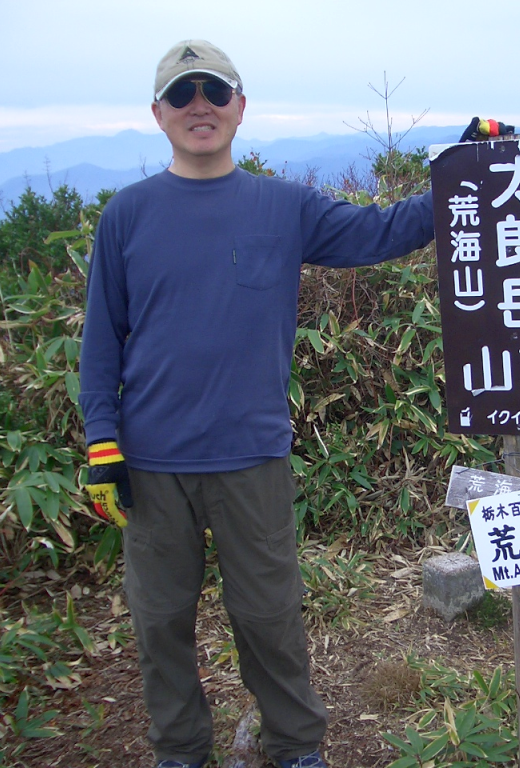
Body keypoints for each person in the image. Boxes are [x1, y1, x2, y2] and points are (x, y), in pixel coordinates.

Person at [79, 40, 437, 768]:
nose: (199, 106)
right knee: (159, 621)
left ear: (240, 107)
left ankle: (296, 746)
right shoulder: (128, 215)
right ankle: (180, 750)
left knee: (269, 617)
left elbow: (383, 231)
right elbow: (101, 342)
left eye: (215, 91)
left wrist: (458, 175)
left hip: (252, 453)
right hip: (150, 461)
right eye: (183, 95)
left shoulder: (284, 206)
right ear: (158, 114)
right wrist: (102, 443)